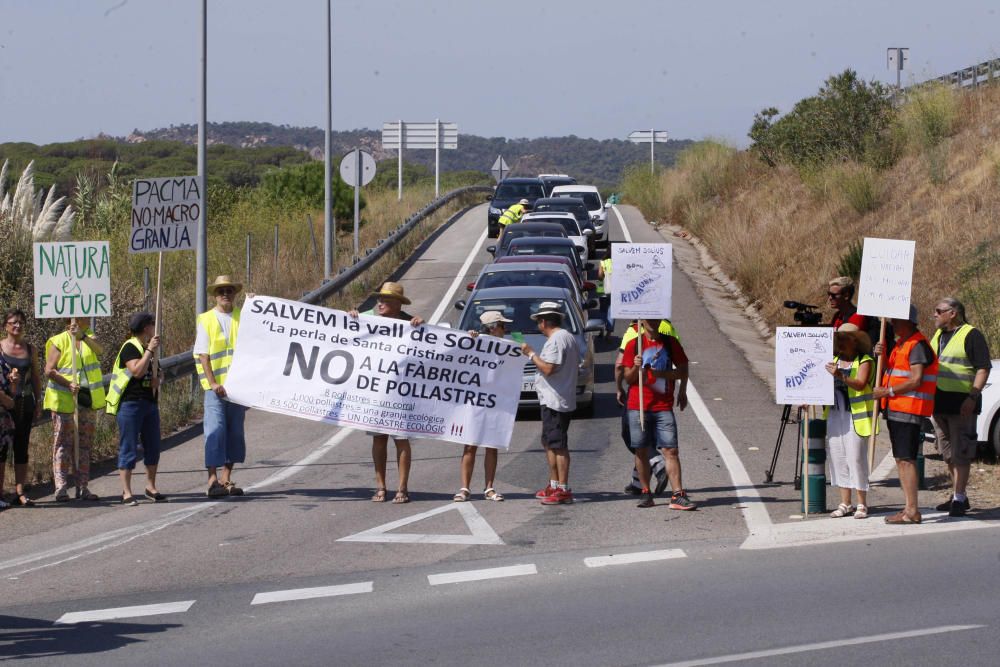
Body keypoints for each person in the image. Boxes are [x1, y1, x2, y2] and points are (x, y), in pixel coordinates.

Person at [348, 281, 424, 504]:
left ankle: (402, 488)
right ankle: (380, 486)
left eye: (386, 300)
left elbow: (431, 344)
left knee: (401, 439)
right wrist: (351, 316)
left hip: (400, 393)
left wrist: (422, 325)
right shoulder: (366, 320)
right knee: (379, 439)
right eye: (379, 299)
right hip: (376, 391)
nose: (380, 303)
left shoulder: (410, 324)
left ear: (398, 304)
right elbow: (344, 328)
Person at [873, 305, 938, 525]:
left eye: (896, 320)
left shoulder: (917, 344)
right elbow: (892, 372)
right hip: (897, 408)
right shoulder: (901, 344)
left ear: (909, 322)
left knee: (906, 459)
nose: (892, 324)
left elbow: (916, 379)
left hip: (908, 409)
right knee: (901, 459)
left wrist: (888, 391)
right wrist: (880, 355)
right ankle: (909, 508)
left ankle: (912, 511)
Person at [622, 318, 695, 509]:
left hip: (663, 405)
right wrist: (637, 367)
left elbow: (682, 369)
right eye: (648, 319)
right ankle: (646, 492)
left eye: (656, 318)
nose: (652, 322)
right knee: (641, 450)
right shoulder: (633, 344)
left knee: (671, 449)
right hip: (638, 405)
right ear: (642, 321)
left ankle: (677, 494)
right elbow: (628, 379)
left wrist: (680, 389)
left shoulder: (670, 342)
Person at [929, 297, 991, 517]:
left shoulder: (971, 335)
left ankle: (959, 496)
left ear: (952, 313)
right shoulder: (938, 335)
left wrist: (972, 397)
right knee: (947, 454)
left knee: (961, 452)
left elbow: (983, 368)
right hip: (939, 403)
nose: (934, 314)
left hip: (962, 405)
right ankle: (959, 496)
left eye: (939, 311)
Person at [520, 301, 580, 505]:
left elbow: (548, 368)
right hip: (553, 398)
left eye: (538, 321)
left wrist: (530, 354)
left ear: (543, 321)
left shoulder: (557, 340)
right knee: (549, 443)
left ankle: (563, 488)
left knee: (558, 445)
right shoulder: (566, 337)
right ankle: (554, 484)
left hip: (556, 399)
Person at [194, 275, 248, 498]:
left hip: (237, 389)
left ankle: (226, 478)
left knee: (235, 433)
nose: (225, 294)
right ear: (215, 295)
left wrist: (255, 303)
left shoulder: (242, 317)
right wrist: (213, 382)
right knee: (215, 433)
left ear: (234, 294)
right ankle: (212, 480)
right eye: (221, 291)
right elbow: (203, 355)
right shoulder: (206, 319)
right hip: (215, 389)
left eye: (229, 290)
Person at [44, 317, 106, 502]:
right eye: (84, 316)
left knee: (84, 446)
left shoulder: (89, 339)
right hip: (64, 402)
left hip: (86, 401)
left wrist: (83, 337)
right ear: (74, 318)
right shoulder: (59, 340)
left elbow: (100, 350)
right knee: (63, 445)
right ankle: (61, 488)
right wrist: (68, 383)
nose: (88, 318)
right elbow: (49, 370)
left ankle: (83, 487)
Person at [107, 312, 165, 506]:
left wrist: (159, 380)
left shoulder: (148, 348)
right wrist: (149, 350)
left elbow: (158, 372)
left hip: (149, 402)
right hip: (130, 404)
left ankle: (151, 486)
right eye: (151, 324)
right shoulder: (130, 347)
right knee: (129, 446)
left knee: (153, 445)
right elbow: (137, 371)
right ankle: (127, 491)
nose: (154, 327)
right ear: (144, 327)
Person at [453, 310, 511, 503]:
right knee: (470, 445)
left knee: (491, 445)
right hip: (474, 402)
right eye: (503, 326)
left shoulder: (507, 345)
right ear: (494, 328)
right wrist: (470, 341)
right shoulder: (475, 343)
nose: (506, 329)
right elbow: (456, 359)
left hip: (496, 403)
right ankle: (464, 488)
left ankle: (489, 488)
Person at [823, 323, 876, 519]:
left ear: (854, 340)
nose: (840, 342)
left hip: (856, 416)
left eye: (844, 338)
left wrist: (840, 376)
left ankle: (862, 502)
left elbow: (861, 384)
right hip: (836, 414)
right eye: (839, 338)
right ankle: (845, 502)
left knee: (855, 458)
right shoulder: (834, 360)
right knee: (837, 457)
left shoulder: (865, 360)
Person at [0, 309, 42, 507]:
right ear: (5, 325)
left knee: (22, 447)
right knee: (2, 449)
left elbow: (35, 376)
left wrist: (39, 401)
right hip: (3, 405)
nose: (18, 325)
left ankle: (20, 492)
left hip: (25, 403)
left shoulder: (30, 349)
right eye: (13, 322)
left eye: (21, 322)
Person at [0, 352, 20, 510]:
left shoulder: (2, 360)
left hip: (3, 417)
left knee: (1, 457)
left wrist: (14, 380)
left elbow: (11, 391)